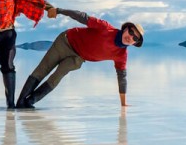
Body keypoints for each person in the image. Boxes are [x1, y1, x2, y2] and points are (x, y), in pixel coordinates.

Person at [16, 8, 144, 108]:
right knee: (44, 68)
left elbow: (122, 77)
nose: (131, 37)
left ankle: (29, 102)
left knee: (57, 76)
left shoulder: (121, 55)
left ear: (135, 43)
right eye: (131, 32)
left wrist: (123, 103)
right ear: (125, 29)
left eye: (135, 38)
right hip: (65, 42)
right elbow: (81, 16)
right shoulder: (106, 28)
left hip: (78, 58)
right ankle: (19, 103)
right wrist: (59, 11)